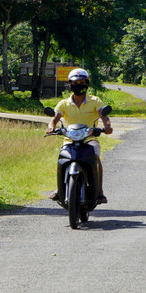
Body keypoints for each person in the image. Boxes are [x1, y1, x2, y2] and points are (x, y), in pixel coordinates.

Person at [47, 67, 113, 204]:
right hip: (69, 139)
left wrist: (107, 126)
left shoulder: (95, 100)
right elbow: (55, 118)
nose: (78, 85)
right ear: (70, 84)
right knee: (62, 159)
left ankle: (100, 192)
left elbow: (104, 116)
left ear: (87, 83)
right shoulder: (64, 103)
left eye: (82, 82)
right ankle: (59, 189)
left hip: (89, 139)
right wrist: (51, 127)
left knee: (95, 158)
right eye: (75, 83)